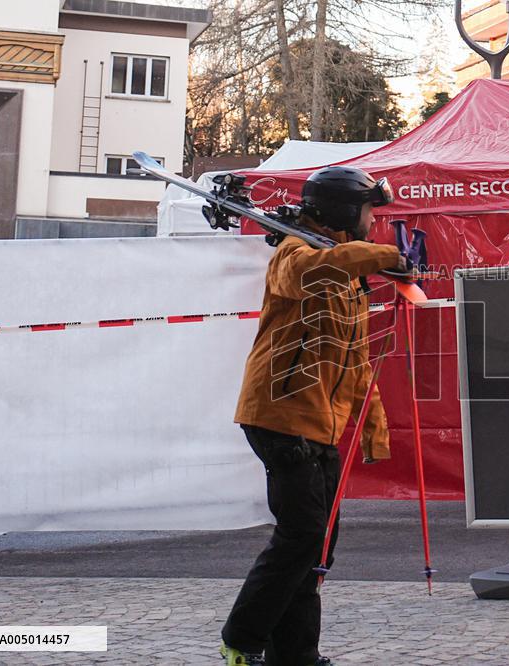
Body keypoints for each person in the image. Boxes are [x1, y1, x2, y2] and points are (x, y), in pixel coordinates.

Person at [220, 166, 406, 666]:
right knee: (301, 536)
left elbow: (355, 361)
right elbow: (311, 272)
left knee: (316, 547)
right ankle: (241, 640)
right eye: (369, 211)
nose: (373, 221)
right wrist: (387, 258)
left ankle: (296, 657)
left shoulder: (346, 277)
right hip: (279, 416)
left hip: (321, 422)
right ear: (347, 212)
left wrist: (373, 430)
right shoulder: (295, 256)